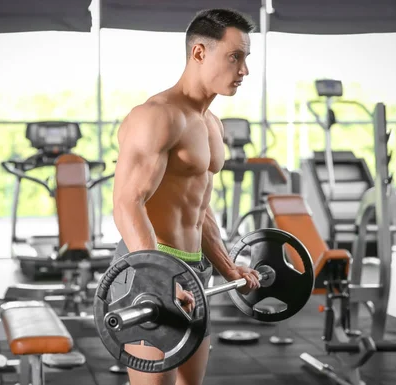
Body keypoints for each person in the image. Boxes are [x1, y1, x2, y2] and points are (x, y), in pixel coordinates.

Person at [111, 8, 261, 385]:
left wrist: (227, 266)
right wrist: (158, 279)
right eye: (235, 57)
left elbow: (200, 208)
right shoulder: (158, 117)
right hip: (150, 267)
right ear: (199, 52)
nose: (244, 70)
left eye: (245, 59)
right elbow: (127, 202)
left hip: (194, 269)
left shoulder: (212, 124)